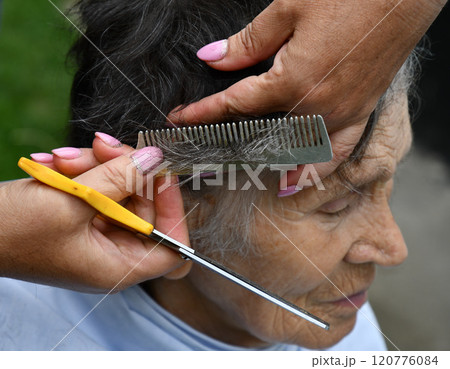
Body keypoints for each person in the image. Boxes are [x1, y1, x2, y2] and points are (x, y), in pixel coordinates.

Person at [0, 0, 417, 350]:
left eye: (390, 184)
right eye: (336, 206)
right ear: (159, 206)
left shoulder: (338, 310)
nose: (392, 248)